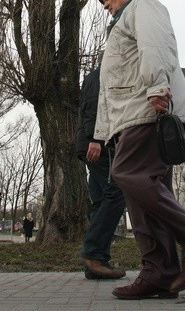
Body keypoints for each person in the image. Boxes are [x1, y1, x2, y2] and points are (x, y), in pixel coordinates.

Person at [94, 0, 185, 300]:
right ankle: (159, 274)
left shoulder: (142, 7)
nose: (107, 6)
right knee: (143, 197)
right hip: (131, 118)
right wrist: (103, 133)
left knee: (128, 174)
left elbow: (156, 45)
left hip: (148, 112)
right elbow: (109, 90)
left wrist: (156, 86)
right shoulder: (117, 30)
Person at [76, 63, 126, 280]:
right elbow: (92, 107)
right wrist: (96, 139)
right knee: (116, 194)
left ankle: (97, 263)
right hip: (100, 146)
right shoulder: (102, 74)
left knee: (100, 202)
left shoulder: (97, 74)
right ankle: (94, 255)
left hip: (93, 145)